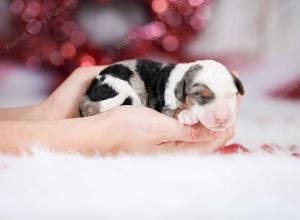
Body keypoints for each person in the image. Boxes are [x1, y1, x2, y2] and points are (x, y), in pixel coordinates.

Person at [0, 66, 239, 156]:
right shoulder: (173, 91)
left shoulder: (187, 81)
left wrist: (48, 114)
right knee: (119, 91)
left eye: (230, 95)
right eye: (202, 99)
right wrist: (97, 134)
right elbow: (168, 106)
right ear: (181, 90)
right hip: (118, 83)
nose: (222, 114)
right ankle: (99, 108)